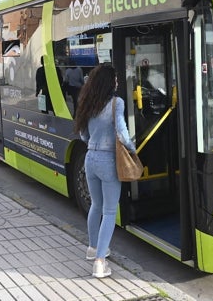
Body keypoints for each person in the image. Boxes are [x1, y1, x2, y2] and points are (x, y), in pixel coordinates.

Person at [73, 64, 136, 278]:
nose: (117, 82)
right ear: (109, 82)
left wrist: (95, 142)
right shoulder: (116, 103)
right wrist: (132, 148)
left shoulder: (88, 103)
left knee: (96, 206)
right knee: (110, 211)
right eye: (116, 78)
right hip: (109, 160)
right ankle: (100, 262)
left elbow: (83, 135)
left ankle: (93, 249)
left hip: (90, 158)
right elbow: (122, 131)